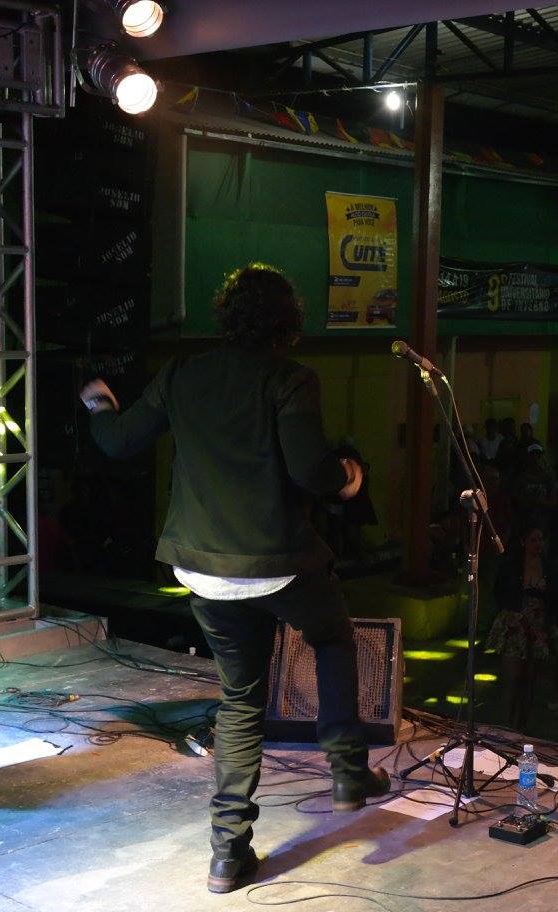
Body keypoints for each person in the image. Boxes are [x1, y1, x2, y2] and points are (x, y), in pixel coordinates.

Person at [80, 264, 389, 894]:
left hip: (203, 569)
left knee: (241, 700)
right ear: (288, 322)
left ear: (226, 316)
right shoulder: (290, 378)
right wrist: (350, 477)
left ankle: (228, 852)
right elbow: (311, 472)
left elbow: (116, 441)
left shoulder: (181, 374)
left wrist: (99, 404)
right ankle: (347, 769)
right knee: (332, 636)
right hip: (276, 564)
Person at [487, 522, 558, 733]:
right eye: (533, 540)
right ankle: (506, 728)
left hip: (538, 626)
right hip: (514, 625)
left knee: (530, 681)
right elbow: (499, 591)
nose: (538, 544)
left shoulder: (549, 566)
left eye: (541, 540)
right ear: (523, 542)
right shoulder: (511, 565)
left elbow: (556, 596)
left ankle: (521, 728)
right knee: (512, 680)